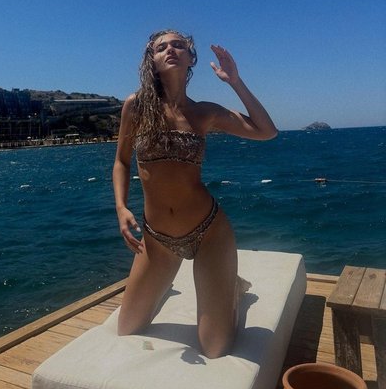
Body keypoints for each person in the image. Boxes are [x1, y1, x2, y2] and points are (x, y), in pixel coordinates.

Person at [112, 29, 278, 358]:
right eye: (162, 47)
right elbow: (121, 161)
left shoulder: (205, 112)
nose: (171, 49)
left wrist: (235, 82)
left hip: (208, 232)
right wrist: (120, 207)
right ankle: (179, 285)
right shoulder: (136, 106)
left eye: (179, 45)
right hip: (157, 238)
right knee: (127, 327)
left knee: (215, 348)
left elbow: (266, 131)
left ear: (190, 59)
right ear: (152, 60)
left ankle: (234, 293)